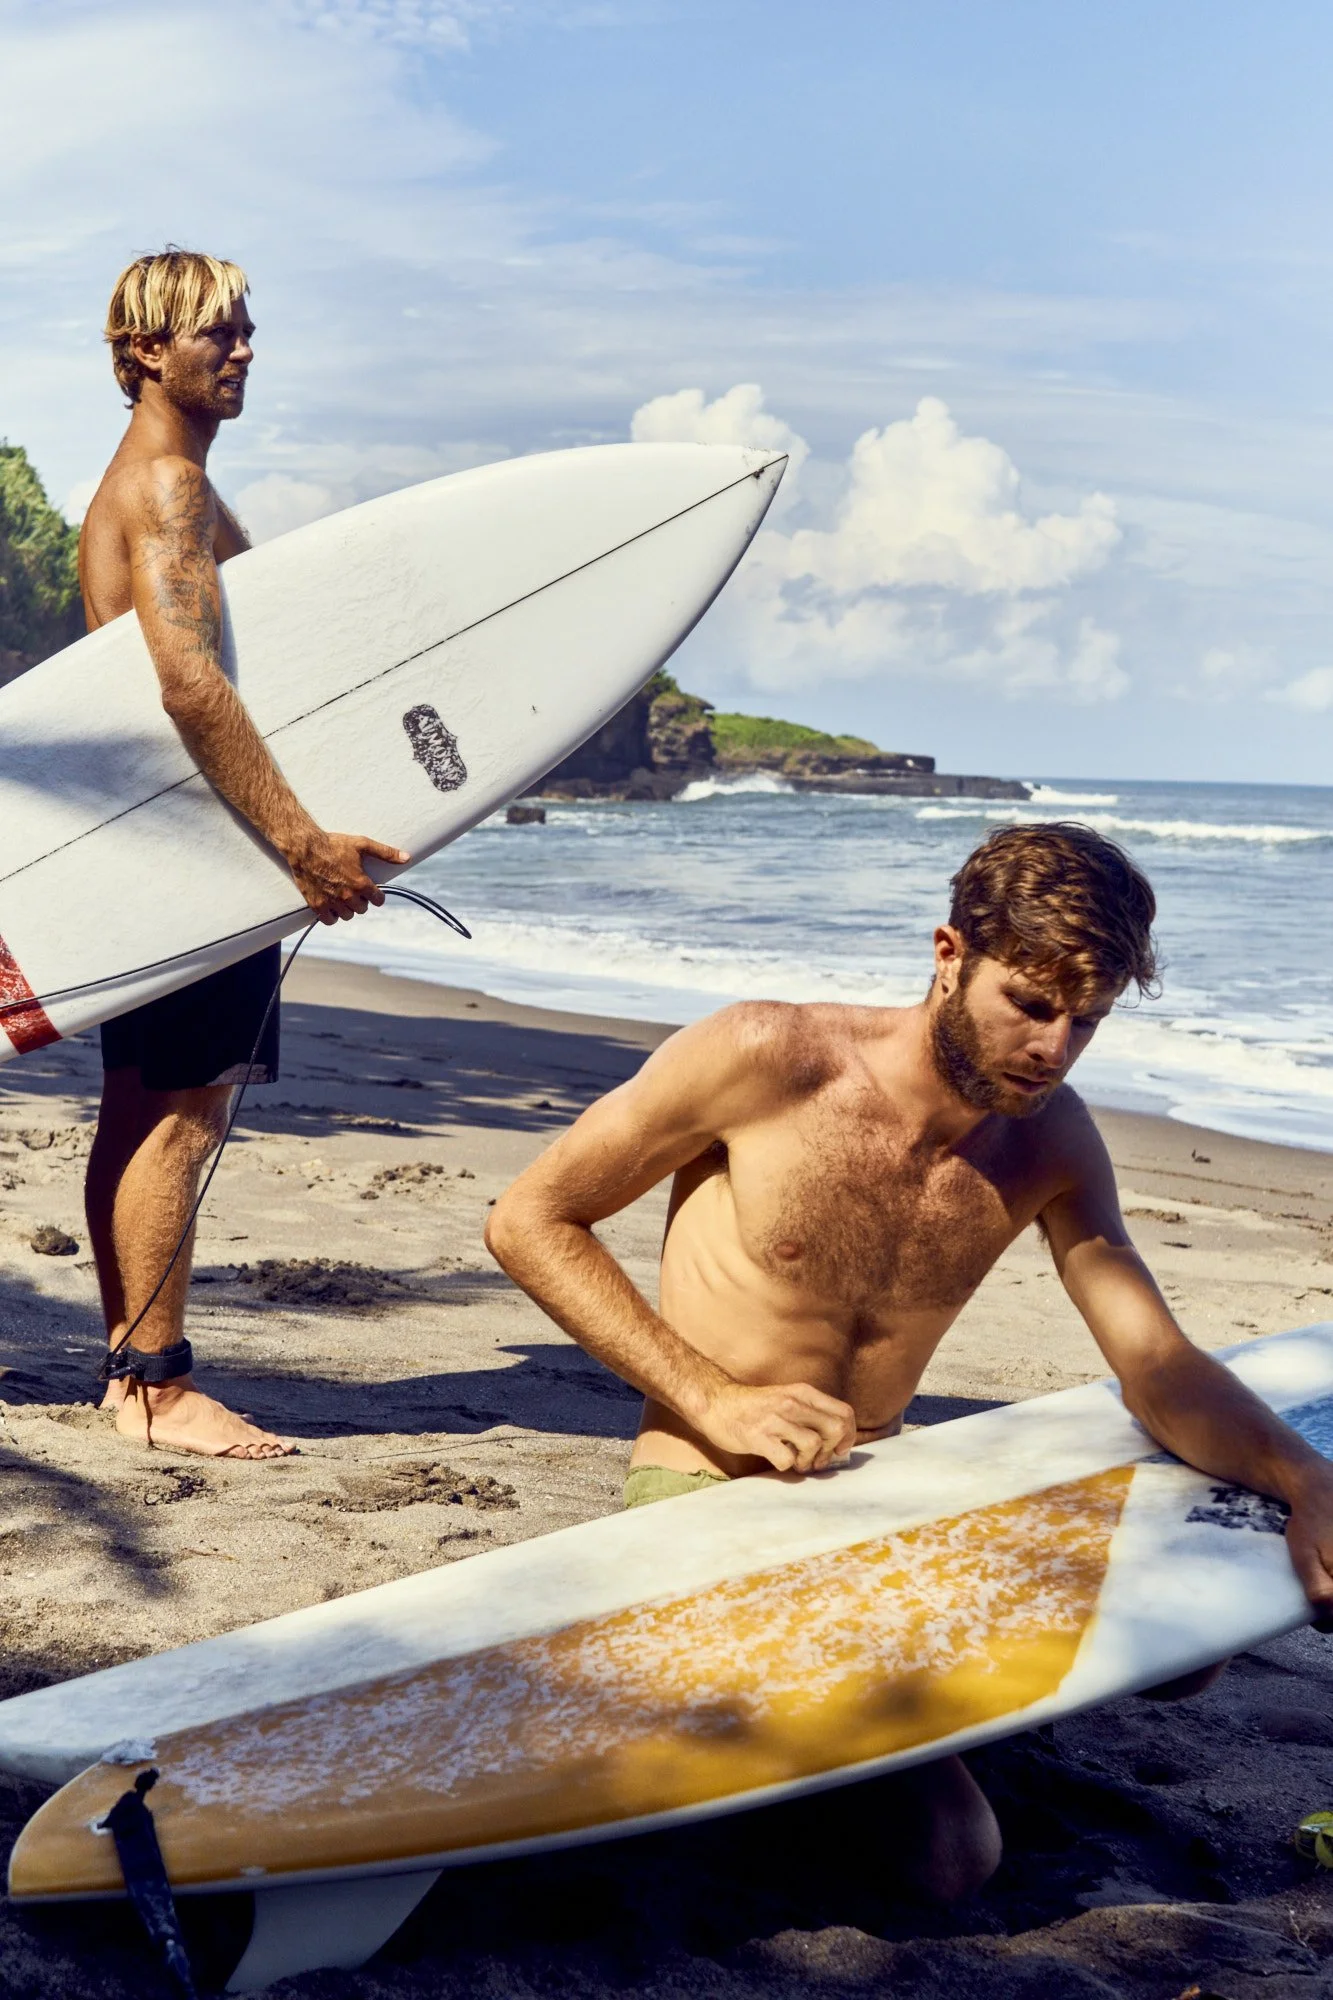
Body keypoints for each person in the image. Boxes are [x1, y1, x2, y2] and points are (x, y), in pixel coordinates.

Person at [486, 820, 1333, 1900]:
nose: (1054, 1049)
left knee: (1194, 1651)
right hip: (705, 1488)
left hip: (877, 1492)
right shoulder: (767, 1056)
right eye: (1030, 1005)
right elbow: (530, 1218)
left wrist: (1304, 1478)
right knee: (948, 1856)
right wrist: (714, 1394)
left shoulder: (1047, 1138)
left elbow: (1155, 1360)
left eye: (1087, 1022)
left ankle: (874, 1708)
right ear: (948, 953)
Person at [80, 248, 408, 1459]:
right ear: (144, 354)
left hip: (167, 844)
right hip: (200, 847)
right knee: (180, 1118)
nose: (245, 350)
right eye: (218, 332)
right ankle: (159, 1387)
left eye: (249, 329)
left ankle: (130, 1370)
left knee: (142, 1108)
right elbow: (190, 685)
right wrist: (301, 843)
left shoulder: (167, 487)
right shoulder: (166, 487)